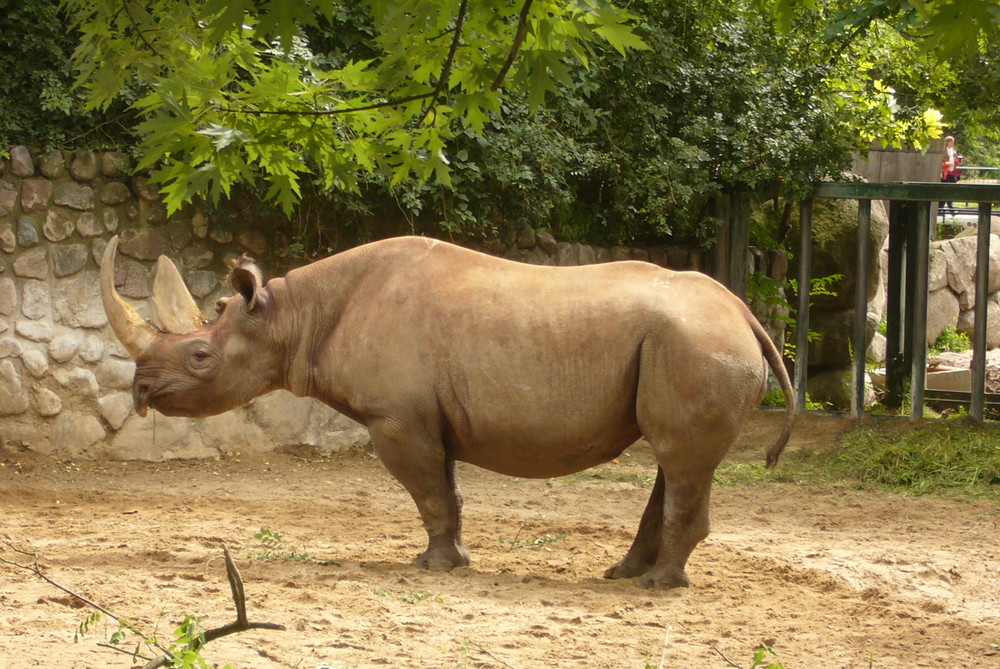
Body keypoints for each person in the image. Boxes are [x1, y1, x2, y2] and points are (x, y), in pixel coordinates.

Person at [940, 135, 961, 214]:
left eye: (953, 142)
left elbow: (956, 163)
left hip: (952, 174)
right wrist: (947, 163)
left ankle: (950, 209)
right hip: (945, 174)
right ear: (947, 143)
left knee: (951, 191)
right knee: (944, 192)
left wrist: (958, 162)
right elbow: (939, 163)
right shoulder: (943, 151)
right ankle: (941, 209)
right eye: (951, 142)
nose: (953, 144)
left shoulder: (954, 151)